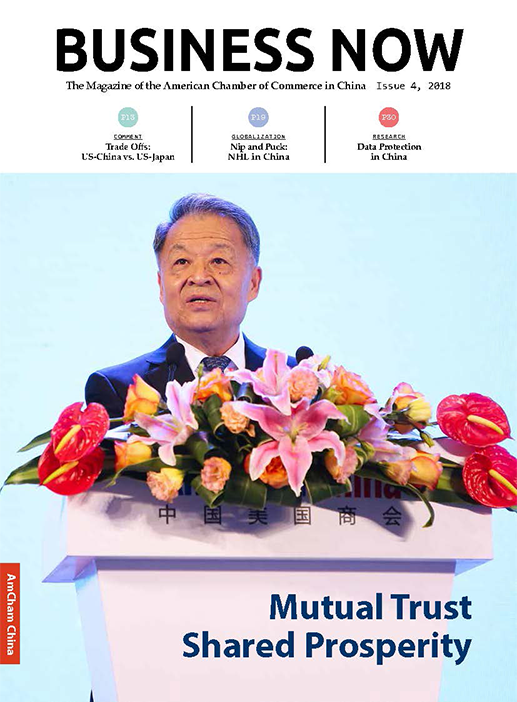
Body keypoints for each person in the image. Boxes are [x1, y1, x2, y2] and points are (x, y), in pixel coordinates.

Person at [85, 193, 297, 416]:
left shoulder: (297, 381)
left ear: (253, 283)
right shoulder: (121, 389)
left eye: (218, 261)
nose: (198, 277)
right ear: (161, 286)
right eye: (182, 262)